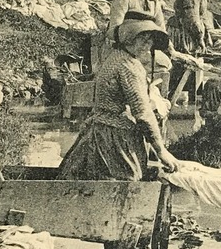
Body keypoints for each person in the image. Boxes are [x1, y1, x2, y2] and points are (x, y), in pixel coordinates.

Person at [59, 19, 180, 180]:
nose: (147, 45)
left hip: (98, 130)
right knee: (126, 181)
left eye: (150, 40)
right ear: (129, 39)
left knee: (90, 179)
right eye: (142, 39)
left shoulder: (115, 56)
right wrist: (161, 150)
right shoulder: (129, 66)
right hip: (114, 137)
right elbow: (142, 112)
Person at [107, 0, 172, 88]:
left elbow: (161, 27)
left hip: (147, 47)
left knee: (165, 64)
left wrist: (170, 48)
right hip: (126, 47)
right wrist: (132, 36)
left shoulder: (154, 3)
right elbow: (112, 31)